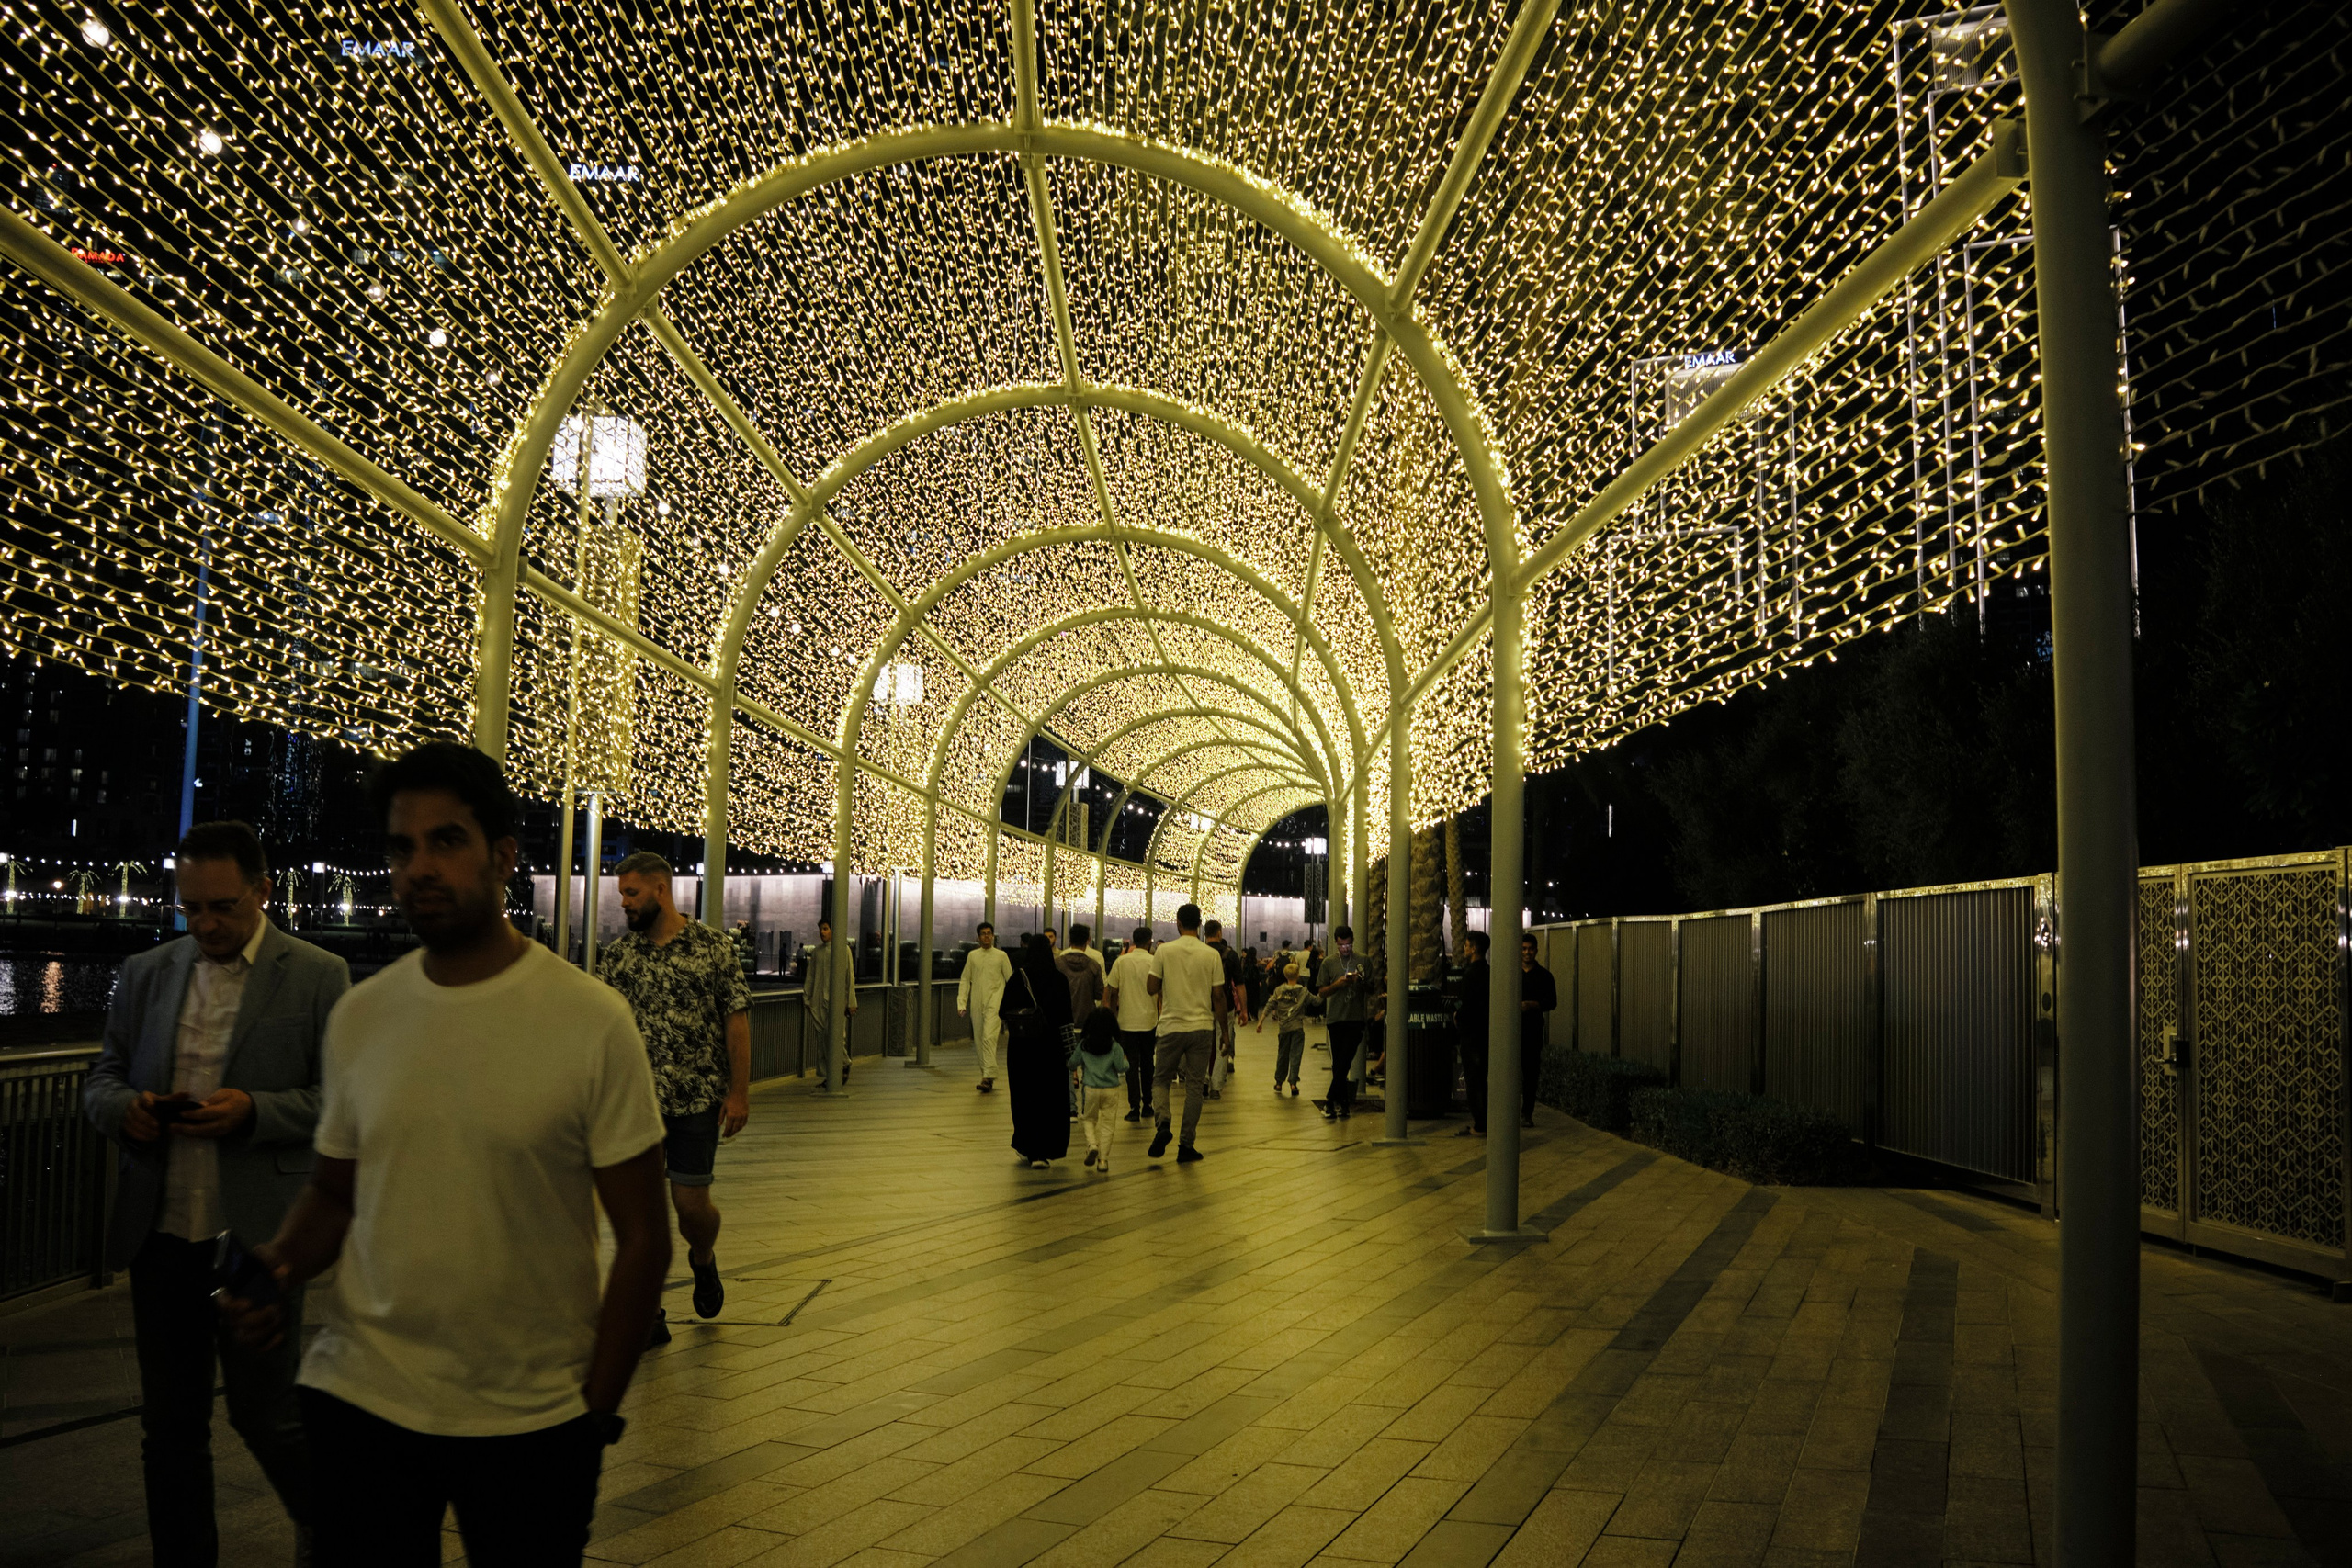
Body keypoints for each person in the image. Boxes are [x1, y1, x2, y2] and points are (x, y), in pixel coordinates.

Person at [217, 741, 668, 1567]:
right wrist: (279, 1265)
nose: (419, 866)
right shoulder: (362, 1017)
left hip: (531, 1414)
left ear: (504, 856)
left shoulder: (590, 1020)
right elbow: (336, 1192)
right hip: (362, 1395)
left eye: (447, 840)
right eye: (402, 846)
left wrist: (593, 1418)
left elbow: (644, 1236)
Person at [83, 820, 347, 1568]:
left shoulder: (318, 973)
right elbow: (103, 1076)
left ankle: (334, 1531)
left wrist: (255, 1111)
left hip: (258, 1237)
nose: (204, 924)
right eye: (190, 907)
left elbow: (342, 1099)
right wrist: (126, 1110)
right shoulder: (146, 972)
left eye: (222, 907)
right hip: (161, 1229)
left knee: (266, 1412)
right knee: (169, 1425)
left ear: (263, 891)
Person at [597, 852, 751, 1338]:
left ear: (660, 890)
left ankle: (702, 1256)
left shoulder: (713, 948)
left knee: (690, 1207)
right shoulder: (618, 958)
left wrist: (739, 1093)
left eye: (632, 892)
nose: (624, 902)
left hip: (696, 1099)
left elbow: (736, 1020)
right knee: (641, 1216)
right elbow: (601, 1030)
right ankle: (649, 1315)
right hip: (635, 1104)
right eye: (622, 894)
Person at [1146, 903, 1227, 1162]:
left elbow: (1151, 987)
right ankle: (1186, 1146)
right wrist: (1225, 1033)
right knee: (1194, 1086)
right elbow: (1218, 996)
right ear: (1200, 924)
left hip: (1170, 1027)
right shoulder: (1211, 955)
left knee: (1161, 1080)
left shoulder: (1164, 951)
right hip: (1201, 1028)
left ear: (1178, 923)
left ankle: (1163, 1123)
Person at [1002, 933, 1073, 1168]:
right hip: (1052, 1049)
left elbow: (1003, 1011)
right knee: (1050, 1098)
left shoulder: (1018, 978)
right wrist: (1070, 1053)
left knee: (1025, 1097)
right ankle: (1047, 1148)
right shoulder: (1059, 979)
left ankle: (1028, 1146)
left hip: (1022, 1049)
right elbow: (1067, 1019)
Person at [1316, 926, 1371, 1121]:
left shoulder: (1363, 960)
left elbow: (1372, 987)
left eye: (1348, 945)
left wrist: (1360, 981)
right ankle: (1343, 1103)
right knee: (1339, 1064)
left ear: (1352, 941)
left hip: (1355, 1019)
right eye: (1341, 946)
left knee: (1345, 1059)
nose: (1345, 949)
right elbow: (1322, 992)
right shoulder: (1329, 963)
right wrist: (1338, 984)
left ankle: (1330, 1101)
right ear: (1336, 943)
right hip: (1336, 1019)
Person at [1105, 927, 1157, 1122]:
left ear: (1133, 941)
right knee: (1148, 1063)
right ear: (1149, 941)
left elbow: (1112, 991)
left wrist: (1112, 1015)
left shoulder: (1121, 961)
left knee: (1131, 1065)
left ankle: (1134, 1107)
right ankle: (1148, 1104)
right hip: (1149, 1020)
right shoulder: (1154, 961)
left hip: (1126, 1021)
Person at [1069, 1010, 1129, 1174]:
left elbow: (1072, 1063)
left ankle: (1092, 1145)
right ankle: (1103, 1161)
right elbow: (1121, 1067)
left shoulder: (1084, 1045)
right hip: (1111, 1090)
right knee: (1108, 1125)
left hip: (1090, 1089)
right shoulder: (1115, 1046)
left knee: (1088, 1119)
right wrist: (1126, 1062)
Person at [956, 920, 1013, 1092]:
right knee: (980, 1039)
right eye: (983, 934)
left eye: (989, 933)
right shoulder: (973, 956)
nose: (986, 936)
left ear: (993, 936)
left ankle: (988, 1076)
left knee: (989, 1037)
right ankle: (986, 1075)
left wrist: (1010, 1005)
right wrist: (961, 1002)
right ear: (978, 937)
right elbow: (965, 979)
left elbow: (1010, 980)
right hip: (976, 1002)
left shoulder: (1001, 956)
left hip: (995, 1002)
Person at [804, 917, 855, 1083]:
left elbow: (849, 977)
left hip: (837, 1002)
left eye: (826, 929)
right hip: (819, 1001)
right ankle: (828, 1076)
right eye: (821, 929)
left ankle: (843, 1064)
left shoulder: (844, 950)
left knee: (836, 1036)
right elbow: (811, 976)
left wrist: (851, 1001)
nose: (822, 932)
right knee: (823, 1039)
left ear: (833, 930)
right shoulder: (817, 952)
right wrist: (807, 997)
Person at [1455, 931, 1493, 1137]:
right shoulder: (1488, 972)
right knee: (1482, 1079)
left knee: (1473, 1080)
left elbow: (1466, 1004)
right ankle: (1484, 1122)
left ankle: (1480, 1125)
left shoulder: (1470, 974)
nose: (1464, 948)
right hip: (1485, 1032)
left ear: (1474, 949)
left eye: (1467, 945)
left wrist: (1458, 1016)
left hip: (1471, 1034)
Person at [1519, 934, 1558, 1128]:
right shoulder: (1512, 973)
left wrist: (1533, 1005)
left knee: (1531, 1074)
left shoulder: (1544, 976)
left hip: (1533, 1031)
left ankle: (1527, 1113)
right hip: (1512, 1031)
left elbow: (1552, 1002)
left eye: (1530, 949)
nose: (1527, 952)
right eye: (1524, 948)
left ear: (1536, 950)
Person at [1203, 920, 1246, 1098]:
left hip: (1203, 1005)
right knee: (1223, 1042)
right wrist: (1244, 1010)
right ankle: (1216, 1086)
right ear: (1219, 933)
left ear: (1205, 934)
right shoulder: (1230, 955)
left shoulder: (1200, 953)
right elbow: (1240, 985)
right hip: (1225, 1004)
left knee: (1204, 1043)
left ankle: (1204, 1079)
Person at [1256, 961, 1310, 1096]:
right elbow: (1316, 1001)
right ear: (1298, 975)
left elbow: (1269, 1005)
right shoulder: (1303, 991)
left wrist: (1260, 1022)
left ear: (1285, 975)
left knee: (1282, 1055)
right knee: (1295, 1055)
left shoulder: (1279, 990)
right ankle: (1293, 1083)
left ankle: (1279, 1082)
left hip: (1284, 1028)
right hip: (1297, 1027)